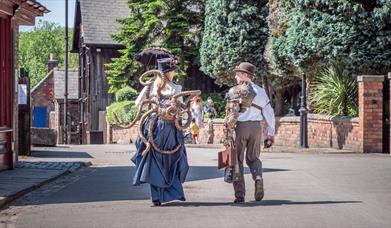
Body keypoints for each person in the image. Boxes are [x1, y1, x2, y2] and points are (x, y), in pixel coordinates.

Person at [132, 58, 189, 206]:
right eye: (172, 71)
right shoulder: (176, 88)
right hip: (170, 128)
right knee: (170, 159)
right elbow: (181, 111)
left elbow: (137, 103)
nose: (174, 74)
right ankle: (171, 192)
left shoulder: (150, 87)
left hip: (153, 126)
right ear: (168, 73)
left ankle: (156, 196)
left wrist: (152, 106)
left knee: (154, 160)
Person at [231, 62, 275, 204]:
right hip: (256, 128)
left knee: (237, 161)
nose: (236, 76)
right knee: (254, 158)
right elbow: (269, 113)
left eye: (238, 73)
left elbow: (229, 115)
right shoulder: (261, 92)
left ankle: (240, 195)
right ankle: (258, 178)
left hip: (240, 128)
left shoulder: (233, 91)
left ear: (245, 75)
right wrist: (270, 133)